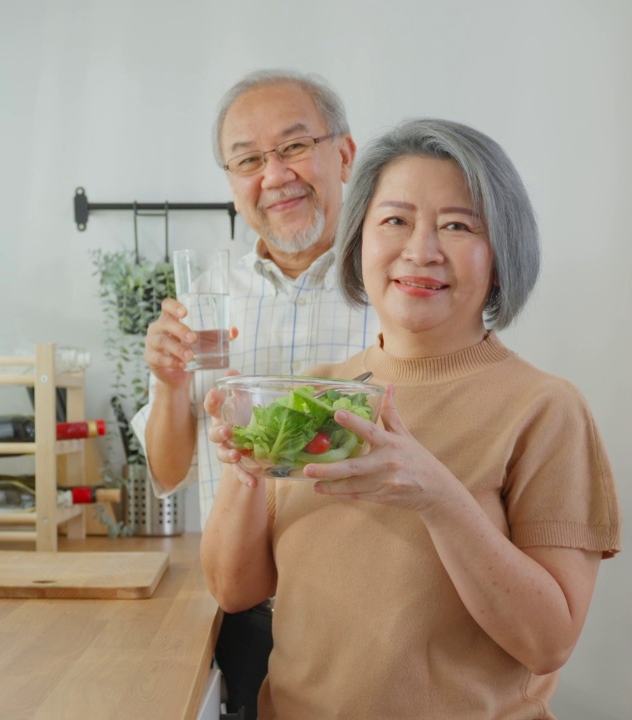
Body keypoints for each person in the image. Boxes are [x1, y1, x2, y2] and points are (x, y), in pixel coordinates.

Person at [201, 118, 622, 719]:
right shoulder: (315, 395)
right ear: (358, 243)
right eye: (395, 221)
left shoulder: (544, 408)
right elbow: (235, 589)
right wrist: (244, 472)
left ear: (501, 256)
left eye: (456, 225)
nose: (420, 250)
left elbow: (548, 643)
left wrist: (438, 496)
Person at [129, 69, 379, 720]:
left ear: (345, 154)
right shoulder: (205, 299)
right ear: (232, 180)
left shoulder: (395, 282)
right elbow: (168, 472)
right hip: (244, 610)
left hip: (376, 608)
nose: (275, 175)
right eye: (247, 160)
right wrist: (168, 384)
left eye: (295, 147)